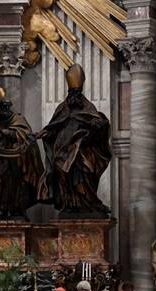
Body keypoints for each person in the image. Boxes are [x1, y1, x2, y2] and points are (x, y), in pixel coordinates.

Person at [38, 64, 113, 214]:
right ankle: (68, 204)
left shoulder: (88, 107)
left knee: (84, 175)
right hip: (61, 151)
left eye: (77, 92)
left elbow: (98, 126)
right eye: (72, 92)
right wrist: (45, 133)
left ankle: (88, 203)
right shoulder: (62, 108)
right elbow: (53, 126)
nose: (74, 96)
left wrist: (96, 128)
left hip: (81, 151)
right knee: (63, 178)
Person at [0, 97, 45, 217]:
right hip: (3, 158)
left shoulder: (18, 119)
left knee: (15, 184)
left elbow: (23, 134)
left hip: (18, 160)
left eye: (4, 108)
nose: (1, 111)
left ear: (8, 108)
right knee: (1, 179)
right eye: (0, 109)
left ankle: (15, 208)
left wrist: (5, 132)